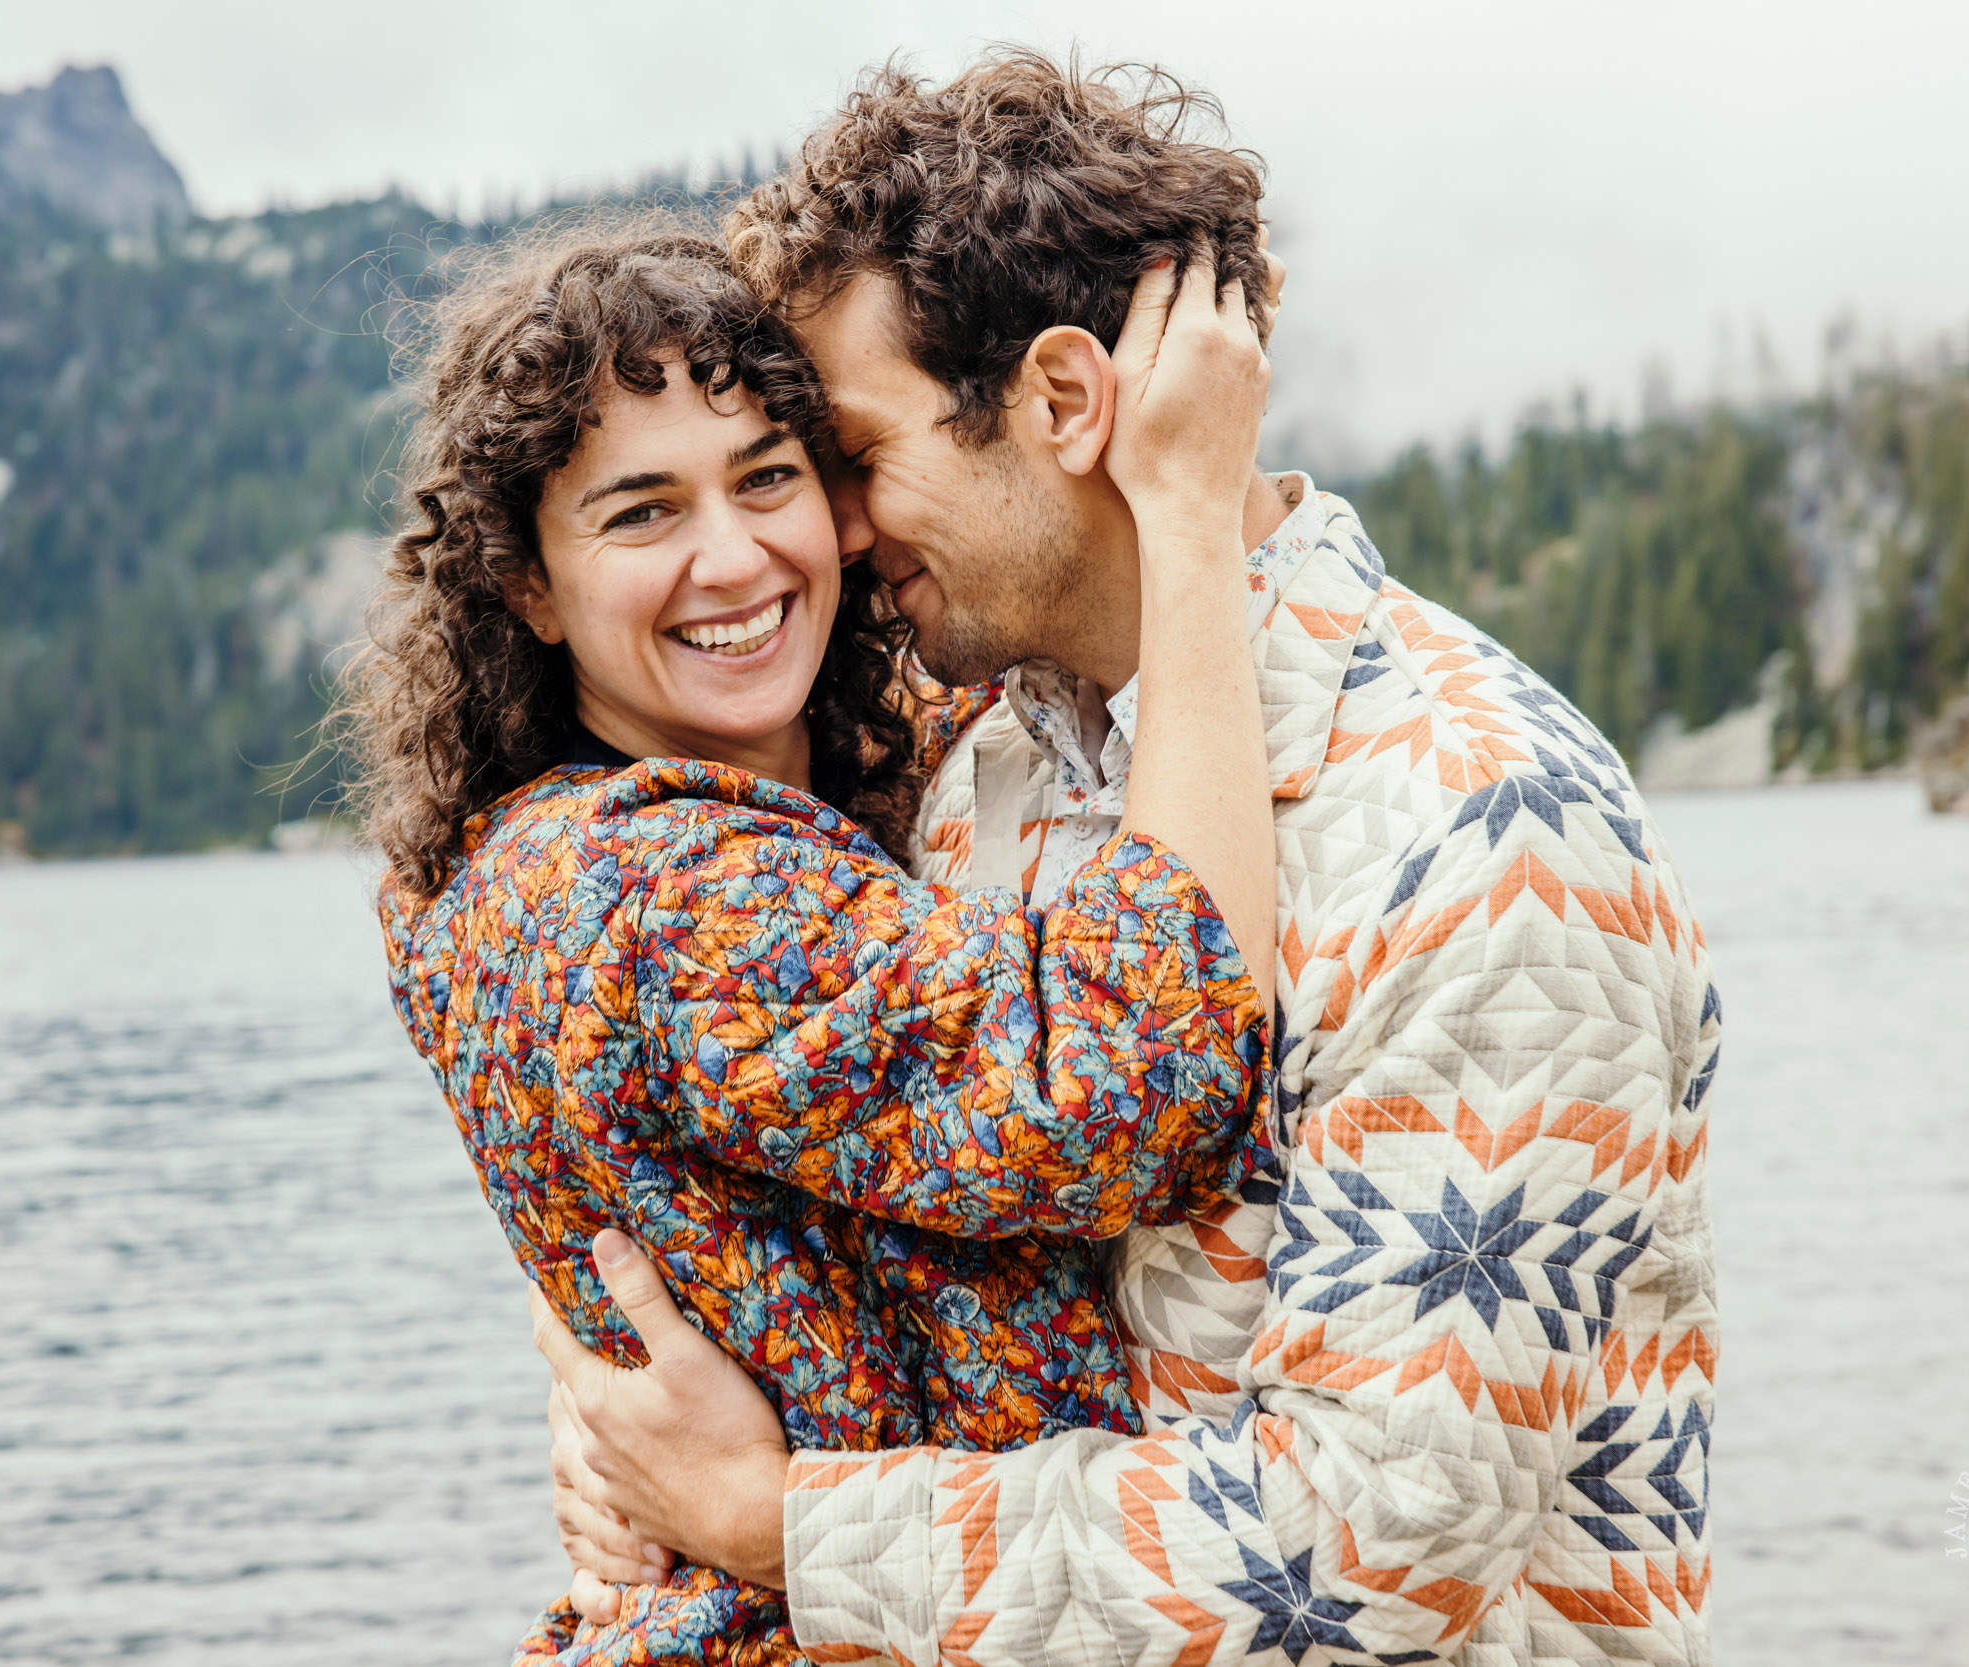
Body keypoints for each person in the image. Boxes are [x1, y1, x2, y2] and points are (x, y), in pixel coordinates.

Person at [538, 53, 1722, 1667]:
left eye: (859, 454)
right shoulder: (985, 770)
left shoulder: (1481, 827)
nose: (836, 529)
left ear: (1064, 404)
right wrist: (615, 1418)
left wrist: (777, 1526)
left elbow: (1372, 1550)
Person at [345, 221, 1286, 1665]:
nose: (734, 558)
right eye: (641, 514)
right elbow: (1130, 1079)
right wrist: (1187, 513)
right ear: (526, 580)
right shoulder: (643, 890)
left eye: (769, 477)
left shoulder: (826, 775)